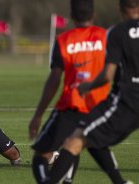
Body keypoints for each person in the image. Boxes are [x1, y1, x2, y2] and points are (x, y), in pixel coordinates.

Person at [29, 0, 127, 183]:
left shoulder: (63, 40)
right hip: (99, 106)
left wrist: (38, 114)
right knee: (85, 145)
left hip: (71, 106)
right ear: (94, 14)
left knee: (41, 156)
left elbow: (54, 80)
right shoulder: (107, 36)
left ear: (72, 16)